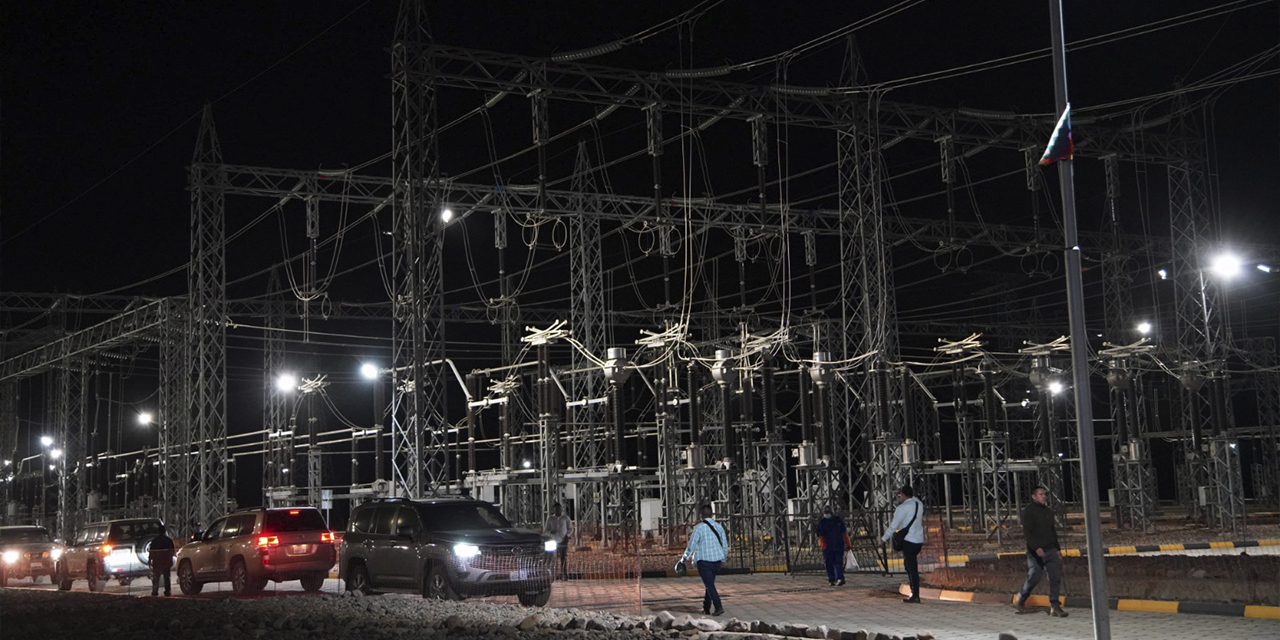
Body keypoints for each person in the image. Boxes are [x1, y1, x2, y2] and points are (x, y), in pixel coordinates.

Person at [1016, 485, 1068, 617]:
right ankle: (1022, 597)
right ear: (1033, 497)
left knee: (1055, 577)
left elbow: (1052, 532)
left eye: (1045, 494)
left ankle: (1055, 606)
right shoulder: (1028, 512)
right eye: (1041, 494)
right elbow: (1028, 532)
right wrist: (1036, 547)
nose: (1044, 496)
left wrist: (1058, 549)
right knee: (1035, 575)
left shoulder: (1048, 512)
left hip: (1051, 549)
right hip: (1035, 552)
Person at [680, 504, 728, 616]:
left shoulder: (699, 528)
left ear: (701, 515)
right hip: (717, 560)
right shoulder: (718, 526)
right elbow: (724, 544)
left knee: (709, 585)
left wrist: (684, 558)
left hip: (704, 561)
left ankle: (718, 606)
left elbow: (691, 545)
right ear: (711, 514)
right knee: (709, 583)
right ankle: (706, 607)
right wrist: (724, 557)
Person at [881, 485, 925, 603]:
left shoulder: (902, 508)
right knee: (909, 566)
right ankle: (914, 592)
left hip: (909, 540)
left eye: (900, 495)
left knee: (911, 569)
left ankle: (915, 594)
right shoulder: (919, 504)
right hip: (919, 539)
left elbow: (894, 526)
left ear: (903, 495)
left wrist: (884, 538)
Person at [814, 506, 848, 586]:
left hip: (837, 544)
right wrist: (823, 545)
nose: (827, 514)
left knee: (837, 562)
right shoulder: (823, 522)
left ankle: (839, 578)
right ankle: (832, 579)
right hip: (829, 545)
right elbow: (820, 535)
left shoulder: (837, 520)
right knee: (830, 563)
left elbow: (844, 533)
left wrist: (847, 542)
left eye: (828, 513)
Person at [544, 502, 573, 580]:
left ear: (561, 509)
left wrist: (567, 536)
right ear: (554, 510)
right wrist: (550, 533)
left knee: (563, 558)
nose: (558, 510)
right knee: (553, 558)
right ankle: (554, 574)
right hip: (553, 541)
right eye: (556, 509)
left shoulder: (566, 518)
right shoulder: (550, 518)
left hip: (563, 540)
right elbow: (546, 530)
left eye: (559, 509)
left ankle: (564, 574)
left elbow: (570, 528)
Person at [148, 523, 176, 597]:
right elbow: (172, 551)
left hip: (157, 561)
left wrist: (150, 560)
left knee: (156, 577)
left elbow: (151, 552)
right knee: (166, 577)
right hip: (166, 561)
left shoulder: (154, 541)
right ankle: (167, 591)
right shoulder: (169, 540)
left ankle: (155, 591)